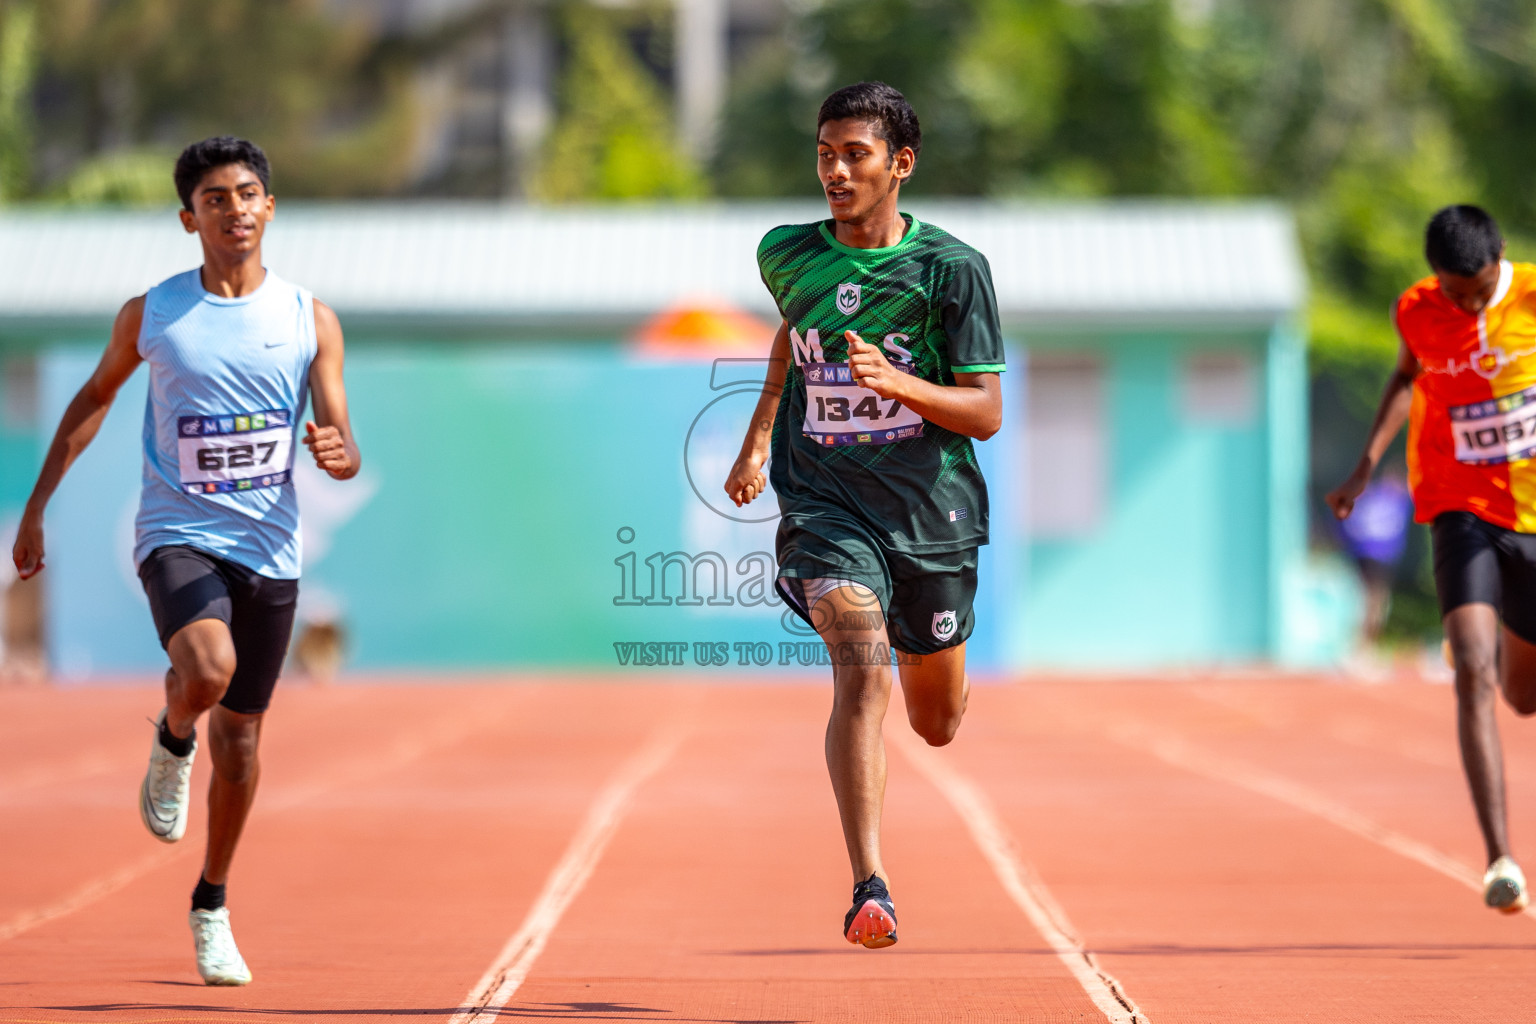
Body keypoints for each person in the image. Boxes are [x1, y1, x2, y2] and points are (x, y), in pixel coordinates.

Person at [11, 136, 361, 983]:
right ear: (188, 218)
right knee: (206, 669)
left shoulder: (309, 317)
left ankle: (212, 901)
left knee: (240, 743)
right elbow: (94, 400)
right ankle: (173, 740)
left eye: (247, 194)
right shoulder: (155, 313)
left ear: (269, 208)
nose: (234, 209)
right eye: (215, 198)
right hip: (177, 530)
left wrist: (337, 450)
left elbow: (341, 433)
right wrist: (36, 505)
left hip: (269, 546)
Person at [724, 82, 1005, 948]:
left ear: (900, 165)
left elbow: (986, 411)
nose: (836, 171)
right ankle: (869, 886)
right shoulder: (785, 253)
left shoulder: (951, 271)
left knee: (936, 721)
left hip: (930, 513)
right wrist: (760, 434)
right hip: (825, 504)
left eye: (855, 155)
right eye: (825, 154)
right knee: (861, 665)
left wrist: (898, 385)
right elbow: (791, 332)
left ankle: (933, 681)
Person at [1328, 204, 1536, 915]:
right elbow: (1405, 377)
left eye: (1478, 291)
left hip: (1535, 516)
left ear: (1500, 258)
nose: (1468, 305)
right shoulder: (1417, 310)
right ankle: (1500, 857)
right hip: (1458, 507)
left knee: (1522, 692)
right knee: (1472, 666)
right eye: (1455, 292)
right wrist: (1364, 466)